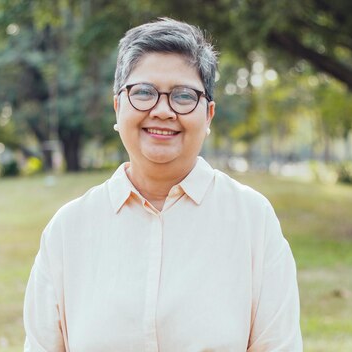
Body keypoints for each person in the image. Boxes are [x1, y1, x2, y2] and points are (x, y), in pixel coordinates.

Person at [23, 17, 302, 352]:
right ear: (117, 106)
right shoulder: (68, 231)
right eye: (143, 92)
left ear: (209, 114)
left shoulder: (252, 221)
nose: (162, 110)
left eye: (183, 96)